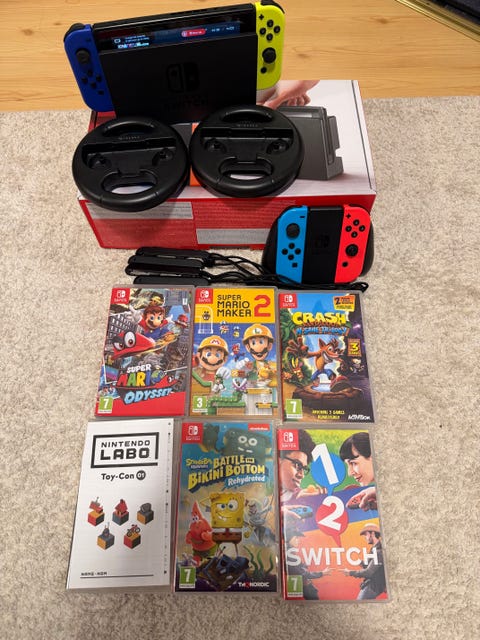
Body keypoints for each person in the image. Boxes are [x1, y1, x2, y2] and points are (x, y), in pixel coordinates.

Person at [341, 522, 386, 600]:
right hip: (372, 585)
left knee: (360, 604)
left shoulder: (378, 551)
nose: (365, 537)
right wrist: (357, 560)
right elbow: (369, 566)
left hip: (372, 586)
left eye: (366, 534)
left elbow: (368, 572)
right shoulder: (374, 549)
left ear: (372, 533)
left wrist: (350, 573)